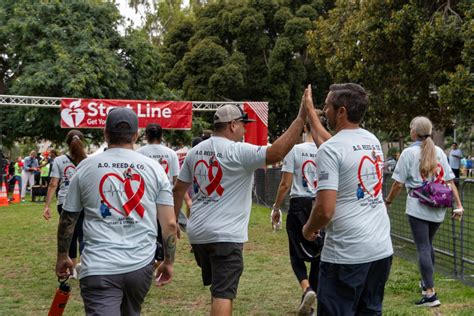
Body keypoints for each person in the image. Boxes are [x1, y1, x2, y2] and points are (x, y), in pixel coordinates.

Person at [172, 101, 309, 316]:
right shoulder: (238, 151)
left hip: (198, 235)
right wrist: (300, 119)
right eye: (243, 124)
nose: (245, 129)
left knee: (218, 287)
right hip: (225, 235)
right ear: (232, 125)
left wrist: (173, 220)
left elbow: (178, 189)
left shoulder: (194, 152)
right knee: (223, 293)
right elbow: (276, 153)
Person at [55, 108, 177, 315]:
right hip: (140, 266)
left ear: (105, 134)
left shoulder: (85, 167)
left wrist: (62, 255)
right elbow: (170, 224)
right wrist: (168, 261)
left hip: (98, 266)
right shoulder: (155, 168)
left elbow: (68, 219)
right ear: (136, 135)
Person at [302, 83, 393, 315]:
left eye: (327, 108)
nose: (325, 112)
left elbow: (324, 210)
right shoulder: (371, 141)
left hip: (346, 254)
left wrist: (308, 228)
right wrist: (311, 112)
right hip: (380, 249)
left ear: (341, 111)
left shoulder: (331, 150)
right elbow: (333, 145)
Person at [385, 116, 463, 307]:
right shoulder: (439, 151)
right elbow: (450, 181)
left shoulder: (408, 153)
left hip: (418, 207)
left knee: (423, 247)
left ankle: (430, 294)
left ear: (413, 132)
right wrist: (459, 205)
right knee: (428, 245)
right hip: (438, 208)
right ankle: (426, 283)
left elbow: (398, 184)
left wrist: (388, 201)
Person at [272, 122, 324, 315]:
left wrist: (276, 207)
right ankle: (309, 302)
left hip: (299, 203)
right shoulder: (327, 149)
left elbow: (285, 183)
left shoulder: (295, 150)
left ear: (305, 128)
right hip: (320, 201)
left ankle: (306, 289)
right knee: (319, 254)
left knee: (295, 252)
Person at [43, 130, 88, 278]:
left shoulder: (59, 160)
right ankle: (85, 267)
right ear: (83, 142)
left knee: (69, 236)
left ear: (67, 143)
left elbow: (53, 183)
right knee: (85, 235)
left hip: (65, 202)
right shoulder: (88, 160)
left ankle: (72, 269)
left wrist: (47, 206)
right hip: (84, 202)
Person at [137, 123, 180, 266]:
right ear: (161, 136)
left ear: (146, 136)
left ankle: (147, 259)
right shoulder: (171, 153)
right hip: (165, 197)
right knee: (164, 229)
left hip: (145, 196)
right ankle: (162, 260)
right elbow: (175, 179)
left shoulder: (139, 152)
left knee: (147, 229)